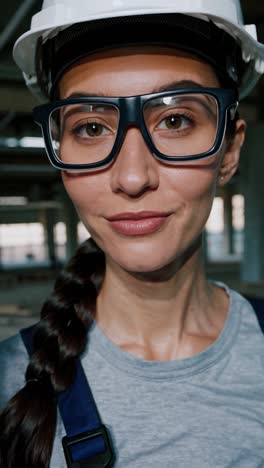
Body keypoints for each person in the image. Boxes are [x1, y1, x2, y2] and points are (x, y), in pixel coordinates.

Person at [1, 1, 264, 467]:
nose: (132, 177)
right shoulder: (9, 380)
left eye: (175, 120)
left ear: (229, 150)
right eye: (92, 127)